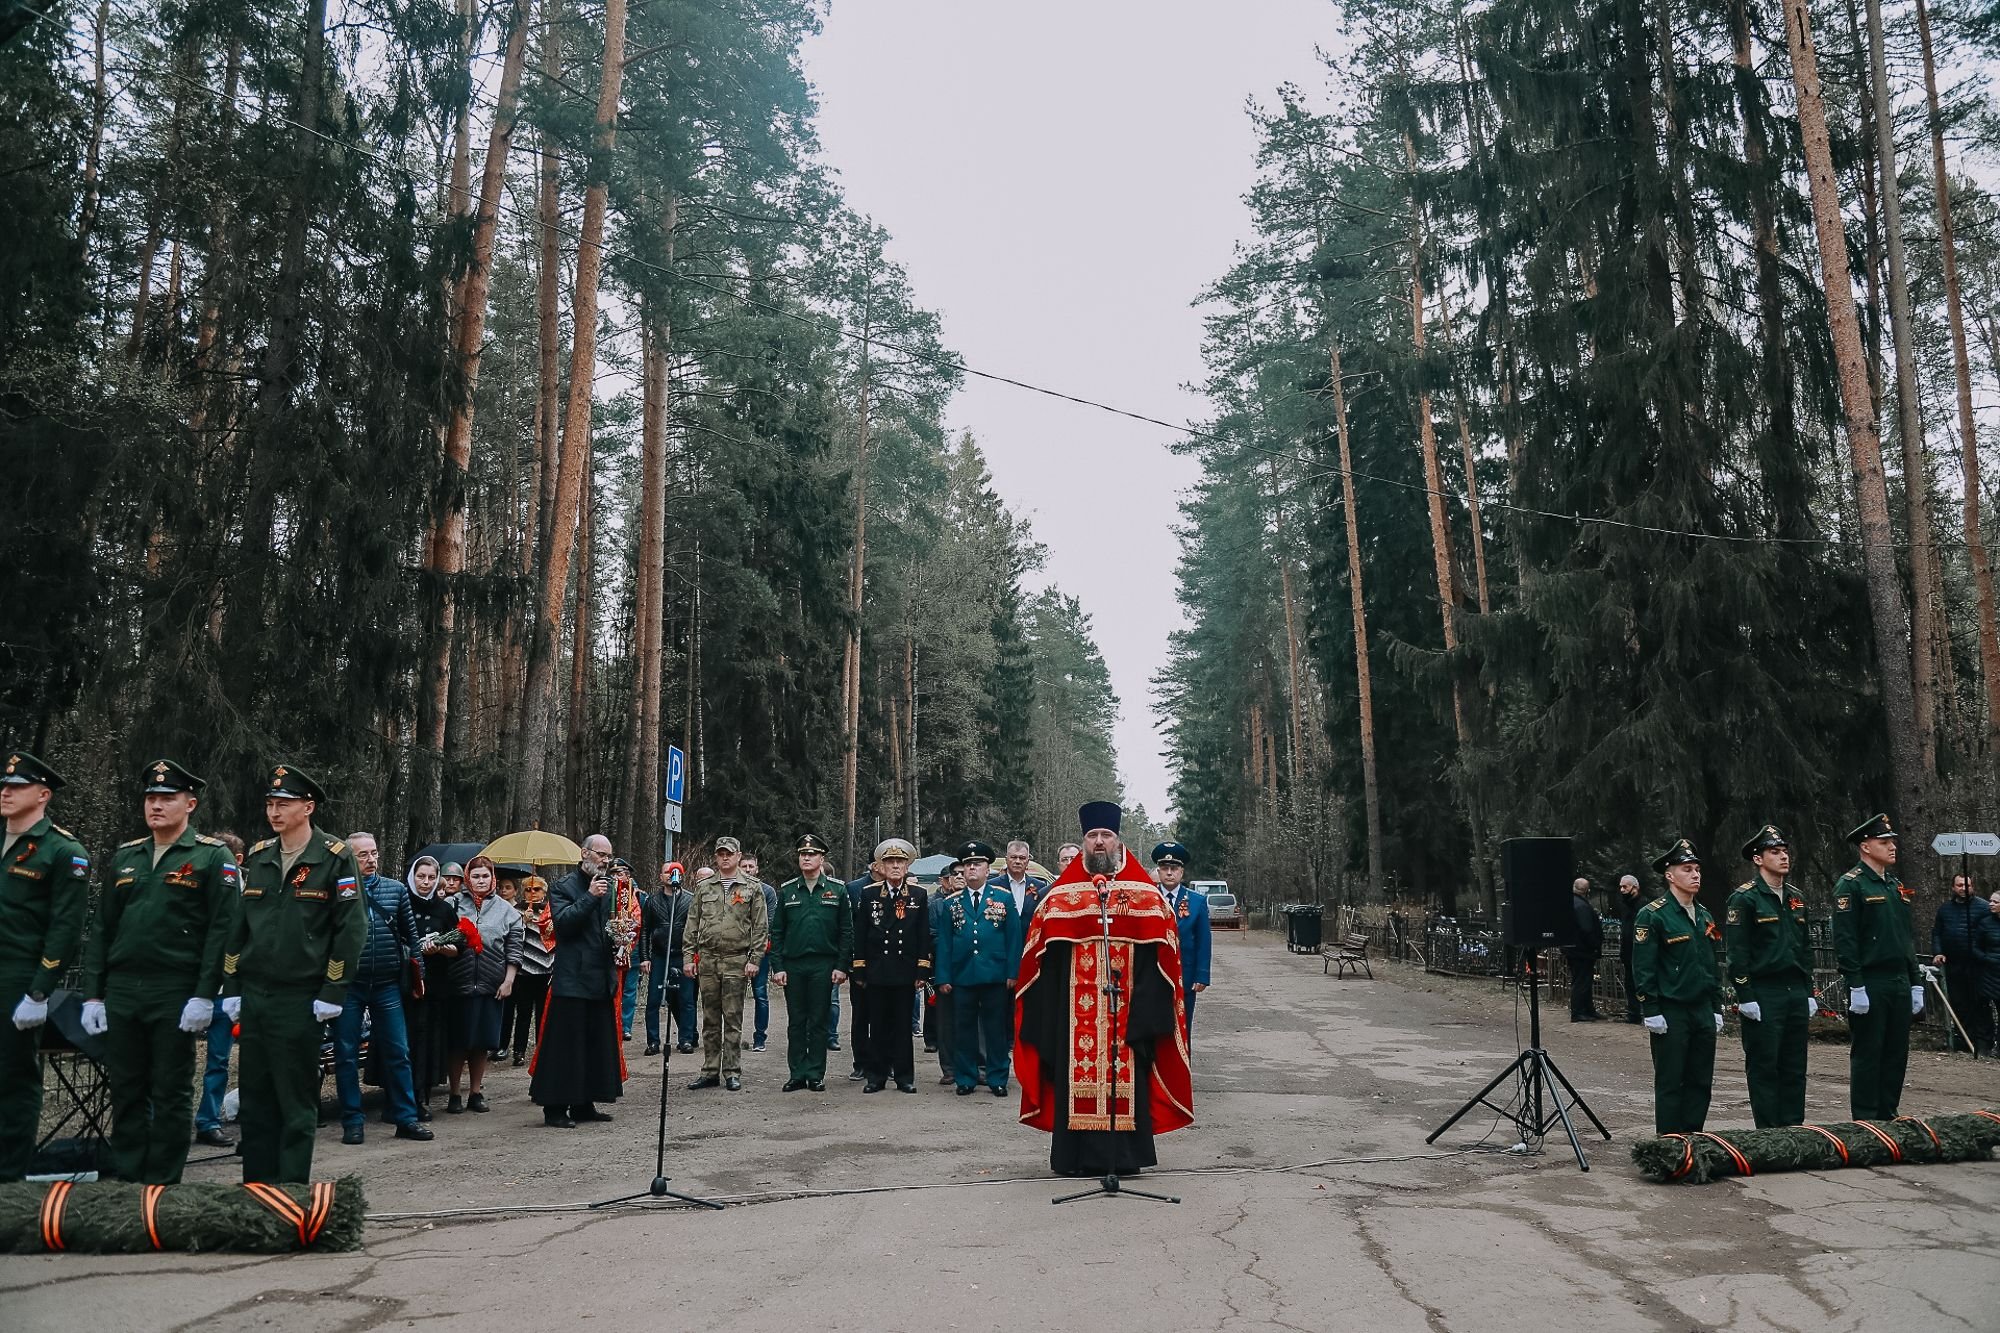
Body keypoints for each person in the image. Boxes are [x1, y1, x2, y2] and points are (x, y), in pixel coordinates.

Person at [76, 760, 234, 1182]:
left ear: (190, 803)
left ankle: (163, 1183)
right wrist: (94, 993)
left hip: (175, 989)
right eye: (151, 798)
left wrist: (206, 992)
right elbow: (104, 928)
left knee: (170, 1091)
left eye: (167, 798)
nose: (157, 805)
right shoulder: (127, 856)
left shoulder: (210, 856)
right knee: (126, 1089)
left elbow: (223, 930)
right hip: (125, 988)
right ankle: (129, 1177)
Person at [1016, 802, 1193, 1177]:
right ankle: (1074, 1158)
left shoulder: (1145, 896)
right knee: (1072, 1078)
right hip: (1072, 1017)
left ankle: (1125, 1159)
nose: (1099, 842)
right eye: (1092, 836)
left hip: (1131, 1014)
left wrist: (1146, 1012)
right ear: (1083, 842)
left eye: (1106, 836)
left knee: (1129, 1078)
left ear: (1117, 841)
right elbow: (1039, 960)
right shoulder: (1059, 897)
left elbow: (1162, 959)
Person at [220, 764, 364, 1184]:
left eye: (284, 804)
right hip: (257, 995)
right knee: (256, 1097)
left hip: (302, 996)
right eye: (270, 804)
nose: (274, 811)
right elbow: (238, 927)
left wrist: (333, 989)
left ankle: (291, 1191)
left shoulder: (334, 857)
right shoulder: (262, 856)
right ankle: (257, 1189)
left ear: (308, 807)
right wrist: (231, 984)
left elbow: (350, 928)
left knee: (295, 1099)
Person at [0, 751, 90, 1183]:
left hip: (18, 977)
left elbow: (65, 929)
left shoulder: (62, 850)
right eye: (4, 785)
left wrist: (39, 991)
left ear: (43, 795)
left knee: (14, 1080)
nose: (5, 791)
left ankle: (8, 1179)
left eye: (16, 787)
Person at [331, 832, 429, 1144]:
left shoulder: (395, 889)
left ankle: (406, 1118)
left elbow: (411, 937)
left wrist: (418, 975)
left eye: (373, 853)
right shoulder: (335, 891)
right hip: (349, 985)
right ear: (349, 858)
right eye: (362, 855)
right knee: (345, 1054)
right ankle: (352, 1121)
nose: (371, 860)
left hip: (387, 984)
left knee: (398, 1052)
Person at [1630, 839, 1725, 1135]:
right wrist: (1651, 1008)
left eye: (1697, 869)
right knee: (1671, 1080)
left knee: (1700, 1080)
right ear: (1670, 876)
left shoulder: (1705, 915)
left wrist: (1716, 1006)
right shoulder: (1653, 914)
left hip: (1701, 1010)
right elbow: (1643, 966)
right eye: (1687, 869)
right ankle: (1671, 1144)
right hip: (1671, 1010)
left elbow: (1711, 965)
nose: (1695, 875)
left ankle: (1692, 1139)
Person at [1832, 813, 1921, 1121]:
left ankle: (1888, 1113)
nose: (1892, 846)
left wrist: (1915, 979)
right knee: (1870, 1052)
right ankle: (1868, 1119)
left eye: (1892, 841)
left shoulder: (1895, 886)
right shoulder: (1851, 885)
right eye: (1884, 842)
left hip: (1897, 979)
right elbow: (1847, 940)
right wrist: (1856, 984)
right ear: (1866, 847)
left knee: (1896, 1052)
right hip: (1870, 980)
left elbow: (1904, 938)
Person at [1725, 825, 1816, 1128]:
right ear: (1758, 859)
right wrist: (1745, 996)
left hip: (1794, 990)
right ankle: (1768, 1130)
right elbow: (1738, 953)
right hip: (1764, 991)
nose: (1783, 857)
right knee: (1765, 1064)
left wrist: (1809, 991)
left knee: (1794, 1064)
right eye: (1774, 852)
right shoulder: (1746, 899)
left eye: (1785, 851)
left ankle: (1793, 1127)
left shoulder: (1796, 897)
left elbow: (1805, 948)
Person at [530, 833, 624, 1128]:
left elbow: (607, 926)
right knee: (566, 1047)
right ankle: (555, 1108)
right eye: (601, 855)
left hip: (600, 975)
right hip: (572, 979)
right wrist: (590, 896)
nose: (605, 861)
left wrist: (620, 937)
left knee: (594, 1044)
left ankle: (585, 1103)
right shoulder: (563, 887)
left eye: (608, 856)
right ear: (585, 853)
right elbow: (565, 925)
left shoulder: (608, 889)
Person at [935, 839, 1022, 1097]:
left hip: (995, 975)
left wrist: (1012, 972)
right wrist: (943, 977)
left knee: (996, 1030)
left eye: (978, 864)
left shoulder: (1003, 899)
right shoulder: (951, 903)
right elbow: (945, 944)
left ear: (988, 869)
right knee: (964, 1030)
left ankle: (997, 1078)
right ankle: (965, 1077)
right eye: (968, 865)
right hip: (962, 976)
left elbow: (1014, 939)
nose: (972, 869)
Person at [771, 833, 853, 1091]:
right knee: (796, 1021)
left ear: (821, 858)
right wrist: (778, 967)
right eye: (803, 854)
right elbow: (777, 932)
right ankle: (797, 1073)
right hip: (794, 965)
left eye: (812, 854)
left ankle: (815, 1073)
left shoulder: (837, 890)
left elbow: (846, 931)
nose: (806, 858)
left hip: (823, 964)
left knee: (818, 1020)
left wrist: (842, 965)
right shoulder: (787, 890)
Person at [685, 836, 768, 1091]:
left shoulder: (752, 887)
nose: (725, 857)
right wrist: (688, 957)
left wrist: (755, 959)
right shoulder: (703, 887)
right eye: (721, 853)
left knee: (732, 1018)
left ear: (738, 856)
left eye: (729, 854)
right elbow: (692, 924)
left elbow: (761, 927)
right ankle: (710, 1070)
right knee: (710, 1018)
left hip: (735, 959)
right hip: (708, 959)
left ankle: (732, 1070)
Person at [850, 838, 932, 1094]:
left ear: (907, 867)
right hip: (877, 971)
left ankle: (904, 1076)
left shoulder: (918, 895)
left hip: (904, 971)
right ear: (880, 866)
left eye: (899, 862)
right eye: (890, 862)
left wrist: (922, 970)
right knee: (878, 1025)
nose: (895, 866)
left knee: (902, 1026)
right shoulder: (870, 894)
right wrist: (860, 969)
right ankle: (876, 1076)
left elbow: (922, 936)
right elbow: (861, 935)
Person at [443, 855, 523, 1114]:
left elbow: (514, 949)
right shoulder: (451, 905)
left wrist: (509, 980)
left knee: (481, 1043)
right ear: (468, 878)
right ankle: (454, 1093)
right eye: (475, 876)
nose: (480, 880)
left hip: (491, 985)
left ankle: (475, 1092)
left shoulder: (507, 911)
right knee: (457, 1041)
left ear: (493, 879)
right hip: (458, 983)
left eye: (485, 876)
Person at [195, 829, 249, 1149]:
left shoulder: (249, 893)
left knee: (218, 1059)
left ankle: (208, 1120)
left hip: (226, 989)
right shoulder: (197, 891)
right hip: (191, 987)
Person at [403, 854, 458, 1120]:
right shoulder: (401, 902)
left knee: (428, 1040)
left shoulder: (444, 909)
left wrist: (441, 948)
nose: (426, 882)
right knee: (407, 1040)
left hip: (435, 984)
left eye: (431, 877)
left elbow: (458, 946)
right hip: (405, 982)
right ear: (412, 876)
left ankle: (421, 1097)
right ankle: (399, 1097)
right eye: (421, 876)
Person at [1152, 842, 1210, 1040]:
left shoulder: (1196, 901)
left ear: (1182, 872)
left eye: (1174, 868)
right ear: (1158, 871)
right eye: (1165, 868)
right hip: (1153, 976)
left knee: (1183, 1028)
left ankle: (1183, 1069)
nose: (1169, 873)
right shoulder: (1148, 898)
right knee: (1154, 1028)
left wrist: (1202, 975)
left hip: (1185, 976)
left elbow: (1203, 941)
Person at [1931, 873, 1988, 1055]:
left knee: (1979, 1004)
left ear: (1972, 886)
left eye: (1967, 885)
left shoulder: (1983, 907)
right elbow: (1937, 933)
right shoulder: (1945, 909)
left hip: (1978, 966)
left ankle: (1984, 1044)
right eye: (1960, 885)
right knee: (1960, 1003)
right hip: (1954, 965)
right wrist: (1938, 951)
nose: (1964, 888)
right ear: (1953, 887)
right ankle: (1964, 1042)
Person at [640, 863, 693, 1055]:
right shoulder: (652, 901)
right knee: (653, 1000)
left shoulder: (690, 900)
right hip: (660, 956)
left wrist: (693, 957)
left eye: (674, 872)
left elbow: (696, 930)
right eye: (666, 872)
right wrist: (645, 957)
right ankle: (653, 1041)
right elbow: (644, 931)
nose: (671, 875)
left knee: (686, 999)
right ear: (661, 876)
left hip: (683, 955)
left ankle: (686, 1039)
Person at [926, 858, 966, 1082]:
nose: (960, 876)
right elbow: (932, 935)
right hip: (945, 968)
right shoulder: (937, 904)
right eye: (955, 874)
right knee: (946, 1022)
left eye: (963, 872)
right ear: (948, 879)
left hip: (971, 970)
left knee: (971, 1020)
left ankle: (973, 1066)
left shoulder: (977, 901)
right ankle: (949, 1068)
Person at [509, 875, 555, 1066]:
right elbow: (510, 937)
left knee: (544, 1013)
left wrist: (552, 927)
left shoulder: (551, 910)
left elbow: (557, 937)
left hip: (546, 968)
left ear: (544, 892)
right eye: (528, 889)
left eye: (537, 889)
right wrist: (523, 923)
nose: (532, 893)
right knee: (524, 1012)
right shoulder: (515, 910)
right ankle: (518, 1051)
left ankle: (542, 1049)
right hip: (524, 970)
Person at [741, 852, 779, 1053]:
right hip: (736, 950)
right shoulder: (733, 889)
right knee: (733, 995)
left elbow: (770, 922)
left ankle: (760, 1037)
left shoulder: (768, 892)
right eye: (744, 866)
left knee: (760, 994)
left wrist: (756, 945)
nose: (748, 870)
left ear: (757, 869)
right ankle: (733, 1036)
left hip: (760, 950)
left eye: (751, 866)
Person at [1563, 878, 1604, 1022]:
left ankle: (1587, 1009)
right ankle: (1578, 1011)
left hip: (1574, 948)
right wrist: (1594, 945)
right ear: (1587, 890)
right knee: (1582, 981)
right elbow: (1587, 929)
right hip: (1582, 950)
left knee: (1583, 980)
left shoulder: (1571, 903)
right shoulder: (1581, 906)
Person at [1972, 891, 2000, 1058]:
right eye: (1990, 901)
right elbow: (1975, 947)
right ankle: (1983, 1045)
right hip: (1988, 974)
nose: (1990, 904)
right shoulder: (1985, 924)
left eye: (1995, 902)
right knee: (1983, 1010)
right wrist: (1986, 958)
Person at [997, 840, 1051, 919]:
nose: (1018, 861)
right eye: (1013, 857)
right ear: (1006, 859)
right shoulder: (993, 885)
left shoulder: (1040, 887)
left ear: (1028, 861)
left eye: (1022, 858)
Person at [1615, 874, 1643, 1023]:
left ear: (1635, 887)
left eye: (1625, 886)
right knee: (1630, 984)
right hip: (1627, 952)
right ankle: (1633, 1012)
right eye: (1621, 886)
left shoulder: (1642, 905)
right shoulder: (1625, 905)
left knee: (1640, 983)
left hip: (1639, 952)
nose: (1622, 889)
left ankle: (1641, 1011)